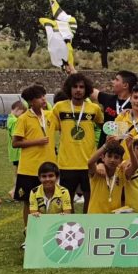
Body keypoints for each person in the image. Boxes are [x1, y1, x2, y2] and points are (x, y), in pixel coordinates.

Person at [51, 73, 104, 213]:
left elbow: (103, 128)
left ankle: (86, 221)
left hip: (89, 161)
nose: (78, 90)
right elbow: (51, 127)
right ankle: (72, 222)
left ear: (87, 89)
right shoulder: (59, 107)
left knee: (90, 195)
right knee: (68, 198)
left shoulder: (94, 109)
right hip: (67, 162)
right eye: (75, 86)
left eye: (82, 87)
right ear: (69, 88)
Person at [12, 84, 56, 243]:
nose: (44, 99)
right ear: (31, 101)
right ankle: (29, 233)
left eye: (44, 95)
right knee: (28, 202)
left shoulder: (50, 115)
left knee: (50, 199)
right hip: (29, 168)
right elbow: (15, 143)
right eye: (39, 97)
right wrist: (36, 141)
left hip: (49, 166)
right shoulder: (23, 118)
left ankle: (48, 232)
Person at [87, 141, 125, 214]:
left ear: (121, 161)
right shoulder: (97, 172)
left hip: (113, 217)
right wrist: (105, 145)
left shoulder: (121, 173)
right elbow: (90, 162)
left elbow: (132, 165)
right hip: (95, 216)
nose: (112, 160)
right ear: (103, 157)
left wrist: (130, 150)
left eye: (116, 157)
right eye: (109, 156)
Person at [6, 100, 27, 199]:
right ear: (18, 110)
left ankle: (14, 191)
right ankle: (14, 191)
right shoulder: (15, 121)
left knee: (17, 172)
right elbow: (17, 136)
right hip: (18, 152)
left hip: (14, 153)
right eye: (22, 113)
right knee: (20, 173)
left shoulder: (9, 119)